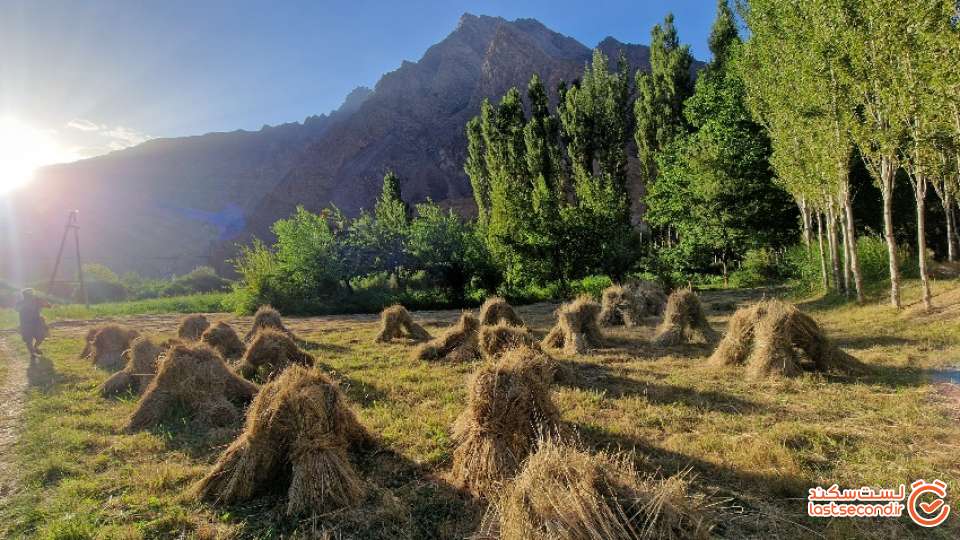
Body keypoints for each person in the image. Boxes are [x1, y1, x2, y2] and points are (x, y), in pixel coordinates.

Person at [15, 288, 49, 358]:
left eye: (31, 295)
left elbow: (49, 306)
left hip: (37, 323)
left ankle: (35, 347)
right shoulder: (21, 303)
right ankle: (32, 353)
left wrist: (44, 302)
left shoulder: (37, 301)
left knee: (41, 337)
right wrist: (25, 305)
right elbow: (16, 309)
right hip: (26, 324)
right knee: (28, 340)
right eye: (28, 295)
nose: (30, 297)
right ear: (24, 296)